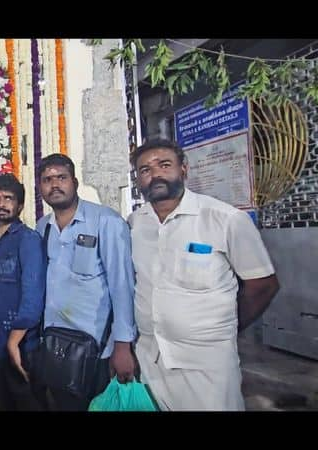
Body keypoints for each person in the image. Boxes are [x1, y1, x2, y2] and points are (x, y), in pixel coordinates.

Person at [127, 138, 279, 411]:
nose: (156, 174)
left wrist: (226, 327)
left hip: (206, 363)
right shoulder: (135, 223)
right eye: (145, 170)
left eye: (164, 165)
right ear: (138, 179)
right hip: (150, 360)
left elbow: (263, 285)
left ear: (183, 169)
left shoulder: (225, 219)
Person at [35, 153, 137, 410]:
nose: (55, 185)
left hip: (96, 351)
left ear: (75, 182)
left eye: (61, 178)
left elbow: (122, 286)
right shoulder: (42, 227)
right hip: (56, 346)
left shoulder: (106, 221)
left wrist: (123, 346)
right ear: (40, 188)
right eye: (47, 180)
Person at [0, 174, 46, 410]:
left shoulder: (27, 239)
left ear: (20, 206)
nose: (1, 204)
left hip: (20, 345)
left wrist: (13, 343)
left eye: (8, 199)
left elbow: (32, 295)